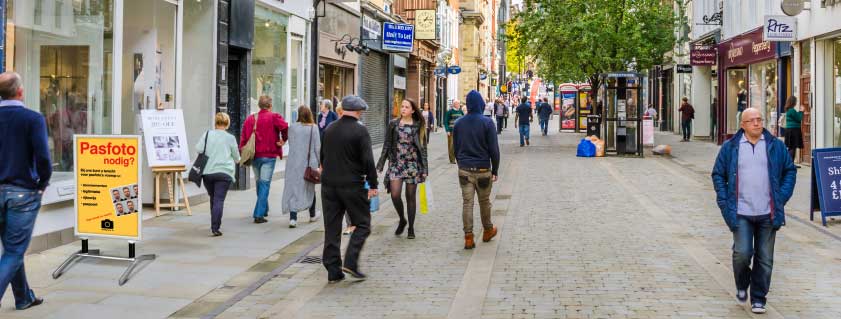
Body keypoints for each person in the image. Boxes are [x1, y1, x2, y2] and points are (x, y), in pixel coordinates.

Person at [711, 108, 796, 315]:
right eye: (752, 121)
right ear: (743, 125)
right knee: (742, 254)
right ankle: (742, 284)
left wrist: (780, 197)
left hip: (768, 212)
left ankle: (758, 298)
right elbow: (718, 175)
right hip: (740, 212)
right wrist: (724, 202)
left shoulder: (775, 146)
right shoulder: (731, 147)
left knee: (765, 258)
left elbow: (790, 171)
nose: (757, 123)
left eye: (760, 120)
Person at [0, 72, 50, 310]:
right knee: (13, 252)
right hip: (22, 193)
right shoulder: (32, 118)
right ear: (20, 92)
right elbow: (43, 157)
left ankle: (23, 297)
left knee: (12, 249)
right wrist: (42, 184)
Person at [320, 95, 379, 283]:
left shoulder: (329, 129)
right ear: (358, 112)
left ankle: (333, 269)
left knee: (332, 227)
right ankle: (351, 262)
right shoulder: (360, 131)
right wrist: (373, 184)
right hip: (352, 185)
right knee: (362, 224)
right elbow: (368, 161)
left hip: (329, 186)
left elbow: (322, 156)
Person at [453, 90, 500, 249]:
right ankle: (487, 230)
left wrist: (461, 164)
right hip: (482, 170)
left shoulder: (459, 123)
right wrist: (495, 170)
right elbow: (494, 149)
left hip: (465, 170)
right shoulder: (487, 123)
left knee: (467, 203)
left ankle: (468, 237)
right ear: (480, 104)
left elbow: (456, 147)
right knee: (484, 202)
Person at [378, 99, 428, 240]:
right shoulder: (393, 124)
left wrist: (425, 169)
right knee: (395, 195)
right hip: (396, 163)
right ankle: (402, 219)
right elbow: (387, 145)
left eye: (407, 107)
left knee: (410, 197)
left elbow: (423, 149)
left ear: (412, 110)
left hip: (412, 164)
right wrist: (381, 164)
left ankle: (411, 227)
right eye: (402, 106)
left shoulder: (419, 125)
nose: (403, 109)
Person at [239, 96, 289, 224]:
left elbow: (244, 137)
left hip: (255, 156)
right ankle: (258, 214)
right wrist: (283, 140)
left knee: (259, 183)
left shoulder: (251, 119)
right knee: (265, 184)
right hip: (269, 156)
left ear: (259, 106)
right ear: (270, 106)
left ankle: (264, 208)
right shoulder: (274, 117)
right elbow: (285, 127)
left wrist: (242, 151)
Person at [197, 112, 241, 236]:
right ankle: (215, 227)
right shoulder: (230, 138)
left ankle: (214, 223)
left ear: (215, 123)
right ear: (227, 124)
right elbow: (237, 157)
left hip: (208, 172)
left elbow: (199, 149)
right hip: (224, 172)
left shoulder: (207, 135)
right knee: (219, 199)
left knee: (214, 198)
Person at [282, 106, 322, 228]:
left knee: (294, 188)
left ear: (298, 115)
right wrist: (321, 163)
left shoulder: (293, 127)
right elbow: (317, 147)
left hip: (294, 162)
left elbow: (292, 143)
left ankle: (293, 219)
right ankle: (312, 214)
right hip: (309, 163)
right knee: (309, 187)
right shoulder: (313, 128)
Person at [783, 96, 803, 168]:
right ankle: (790, 164)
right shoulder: (792, 110)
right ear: (793, 102)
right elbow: (799, 118)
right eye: (795, 101)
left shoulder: (789, 110)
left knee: (791, 147)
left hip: (790, 130)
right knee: (792, 148)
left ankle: (790, 163)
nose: (796, 102)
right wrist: (801, 111)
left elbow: (795, 117)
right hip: (793, 130)